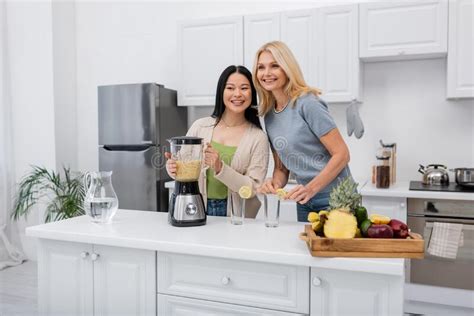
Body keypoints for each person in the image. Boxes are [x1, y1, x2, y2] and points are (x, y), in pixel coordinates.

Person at [253, 41, 352, 222]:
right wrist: (273, 184)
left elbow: (342, 154)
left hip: (335, 198)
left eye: (274, 66)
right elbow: (282, 168)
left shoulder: (307, 103)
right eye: (261, 67)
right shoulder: (269, 114)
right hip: (305, 199)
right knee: (307, 249)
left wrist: (311, 188)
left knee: (336, 250)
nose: (266, 73)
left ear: (287, 68)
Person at [165, 65, 269, 217]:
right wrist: (173, 168)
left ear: (252, 93)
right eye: (230, 88)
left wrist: (220, 167)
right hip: (195, 206)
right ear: (221, 92)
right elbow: (183, 165)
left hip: (236, 215)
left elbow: (253, 188)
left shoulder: (258, 138)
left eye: (244, 88)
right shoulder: (200, 126)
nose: (237, 94)